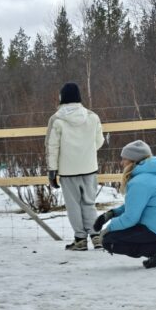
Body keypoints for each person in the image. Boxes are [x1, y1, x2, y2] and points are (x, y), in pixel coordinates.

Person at [95, 140, 156, 268]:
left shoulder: (139, 182)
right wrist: (112, 214)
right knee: (120, 233)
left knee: (110, 240)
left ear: (134, 161)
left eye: (124, 159)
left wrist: (107, 229)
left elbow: (130, 219)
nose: (121, 163)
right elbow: (135, 206)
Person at [45, 82, 105, 250]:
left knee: (74, 206)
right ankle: (95, 235)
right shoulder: (92, 116)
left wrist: (52, 171)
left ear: (62, 97)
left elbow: (52, 147)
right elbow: (99, 142)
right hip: (89, 167)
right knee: (89, 203)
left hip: (67, 171)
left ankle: (80, 240)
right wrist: (86, 152)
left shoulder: (56, 119)